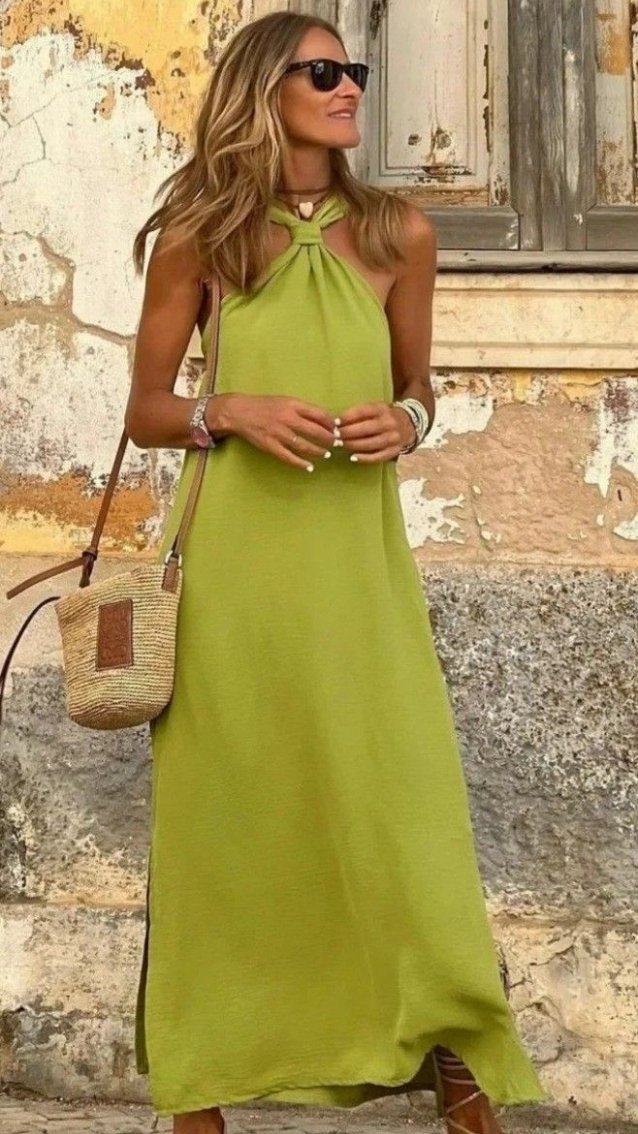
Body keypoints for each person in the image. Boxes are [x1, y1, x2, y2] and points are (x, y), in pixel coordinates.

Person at [126, 11, 549, 1134]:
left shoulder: (400, 232)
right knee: (231, 824)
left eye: (351, 70)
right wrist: (228, 410)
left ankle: (455, 1054)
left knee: (399, 810)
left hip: (357, 569)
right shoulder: (200, 237)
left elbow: (420, 388)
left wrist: (404, 424)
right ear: (263, 90)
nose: (349, 86)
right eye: (323, 72)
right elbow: (147, 410)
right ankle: (200, 1090)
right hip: (233, 577)